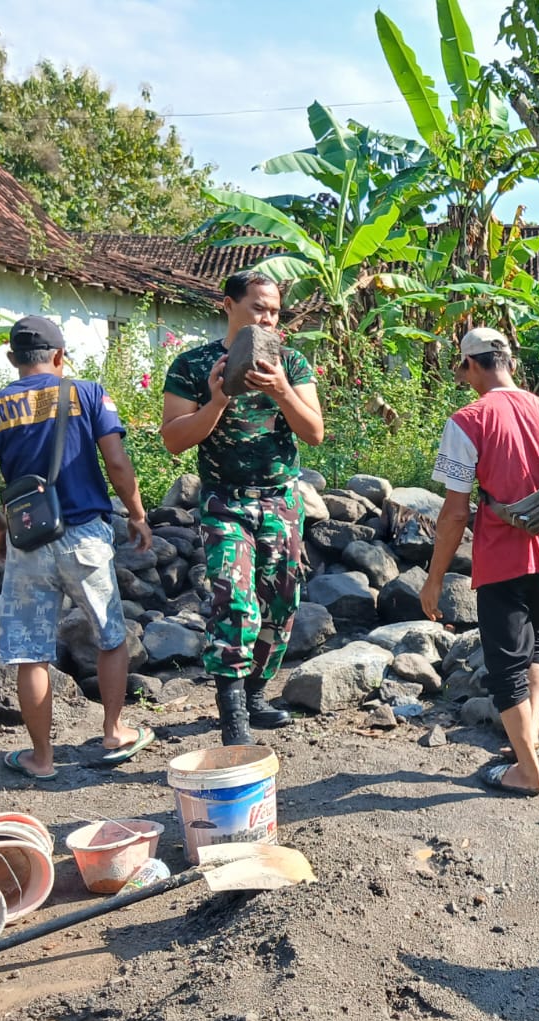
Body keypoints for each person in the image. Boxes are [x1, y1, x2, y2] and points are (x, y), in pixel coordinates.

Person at [0, 316, 154, 779]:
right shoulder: (86, 394)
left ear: (12, 359)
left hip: (29, 538)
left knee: (30, 652)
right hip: (85, 533)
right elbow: (118, 463)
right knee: (109, 636)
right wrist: (139, 515)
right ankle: (114, 731)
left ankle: (41, 758)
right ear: (60, 356)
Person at [421, 328, 539, 797]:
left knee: (506, 667)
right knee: (537, 649)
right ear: (510, 363)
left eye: (462, 369)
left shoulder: (468, 420)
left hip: (503, 557)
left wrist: (434, 580)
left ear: (472, 365)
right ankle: (528, 740)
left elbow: (456, 511)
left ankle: (528, 773)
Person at [161, 272, 324, 746]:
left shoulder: (290, 362)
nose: (268, 317)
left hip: (280, 498)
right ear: (228, 305)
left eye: (274, 310)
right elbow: (174, 439)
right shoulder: (194, 364)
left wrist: (281, 391)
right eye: (258, 308)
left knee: (283, 600)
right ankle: (232, 713)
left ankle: (255, 694)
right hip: (223, 499)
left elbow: (314, 432)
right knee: (232, 598)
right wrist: (218, 400)